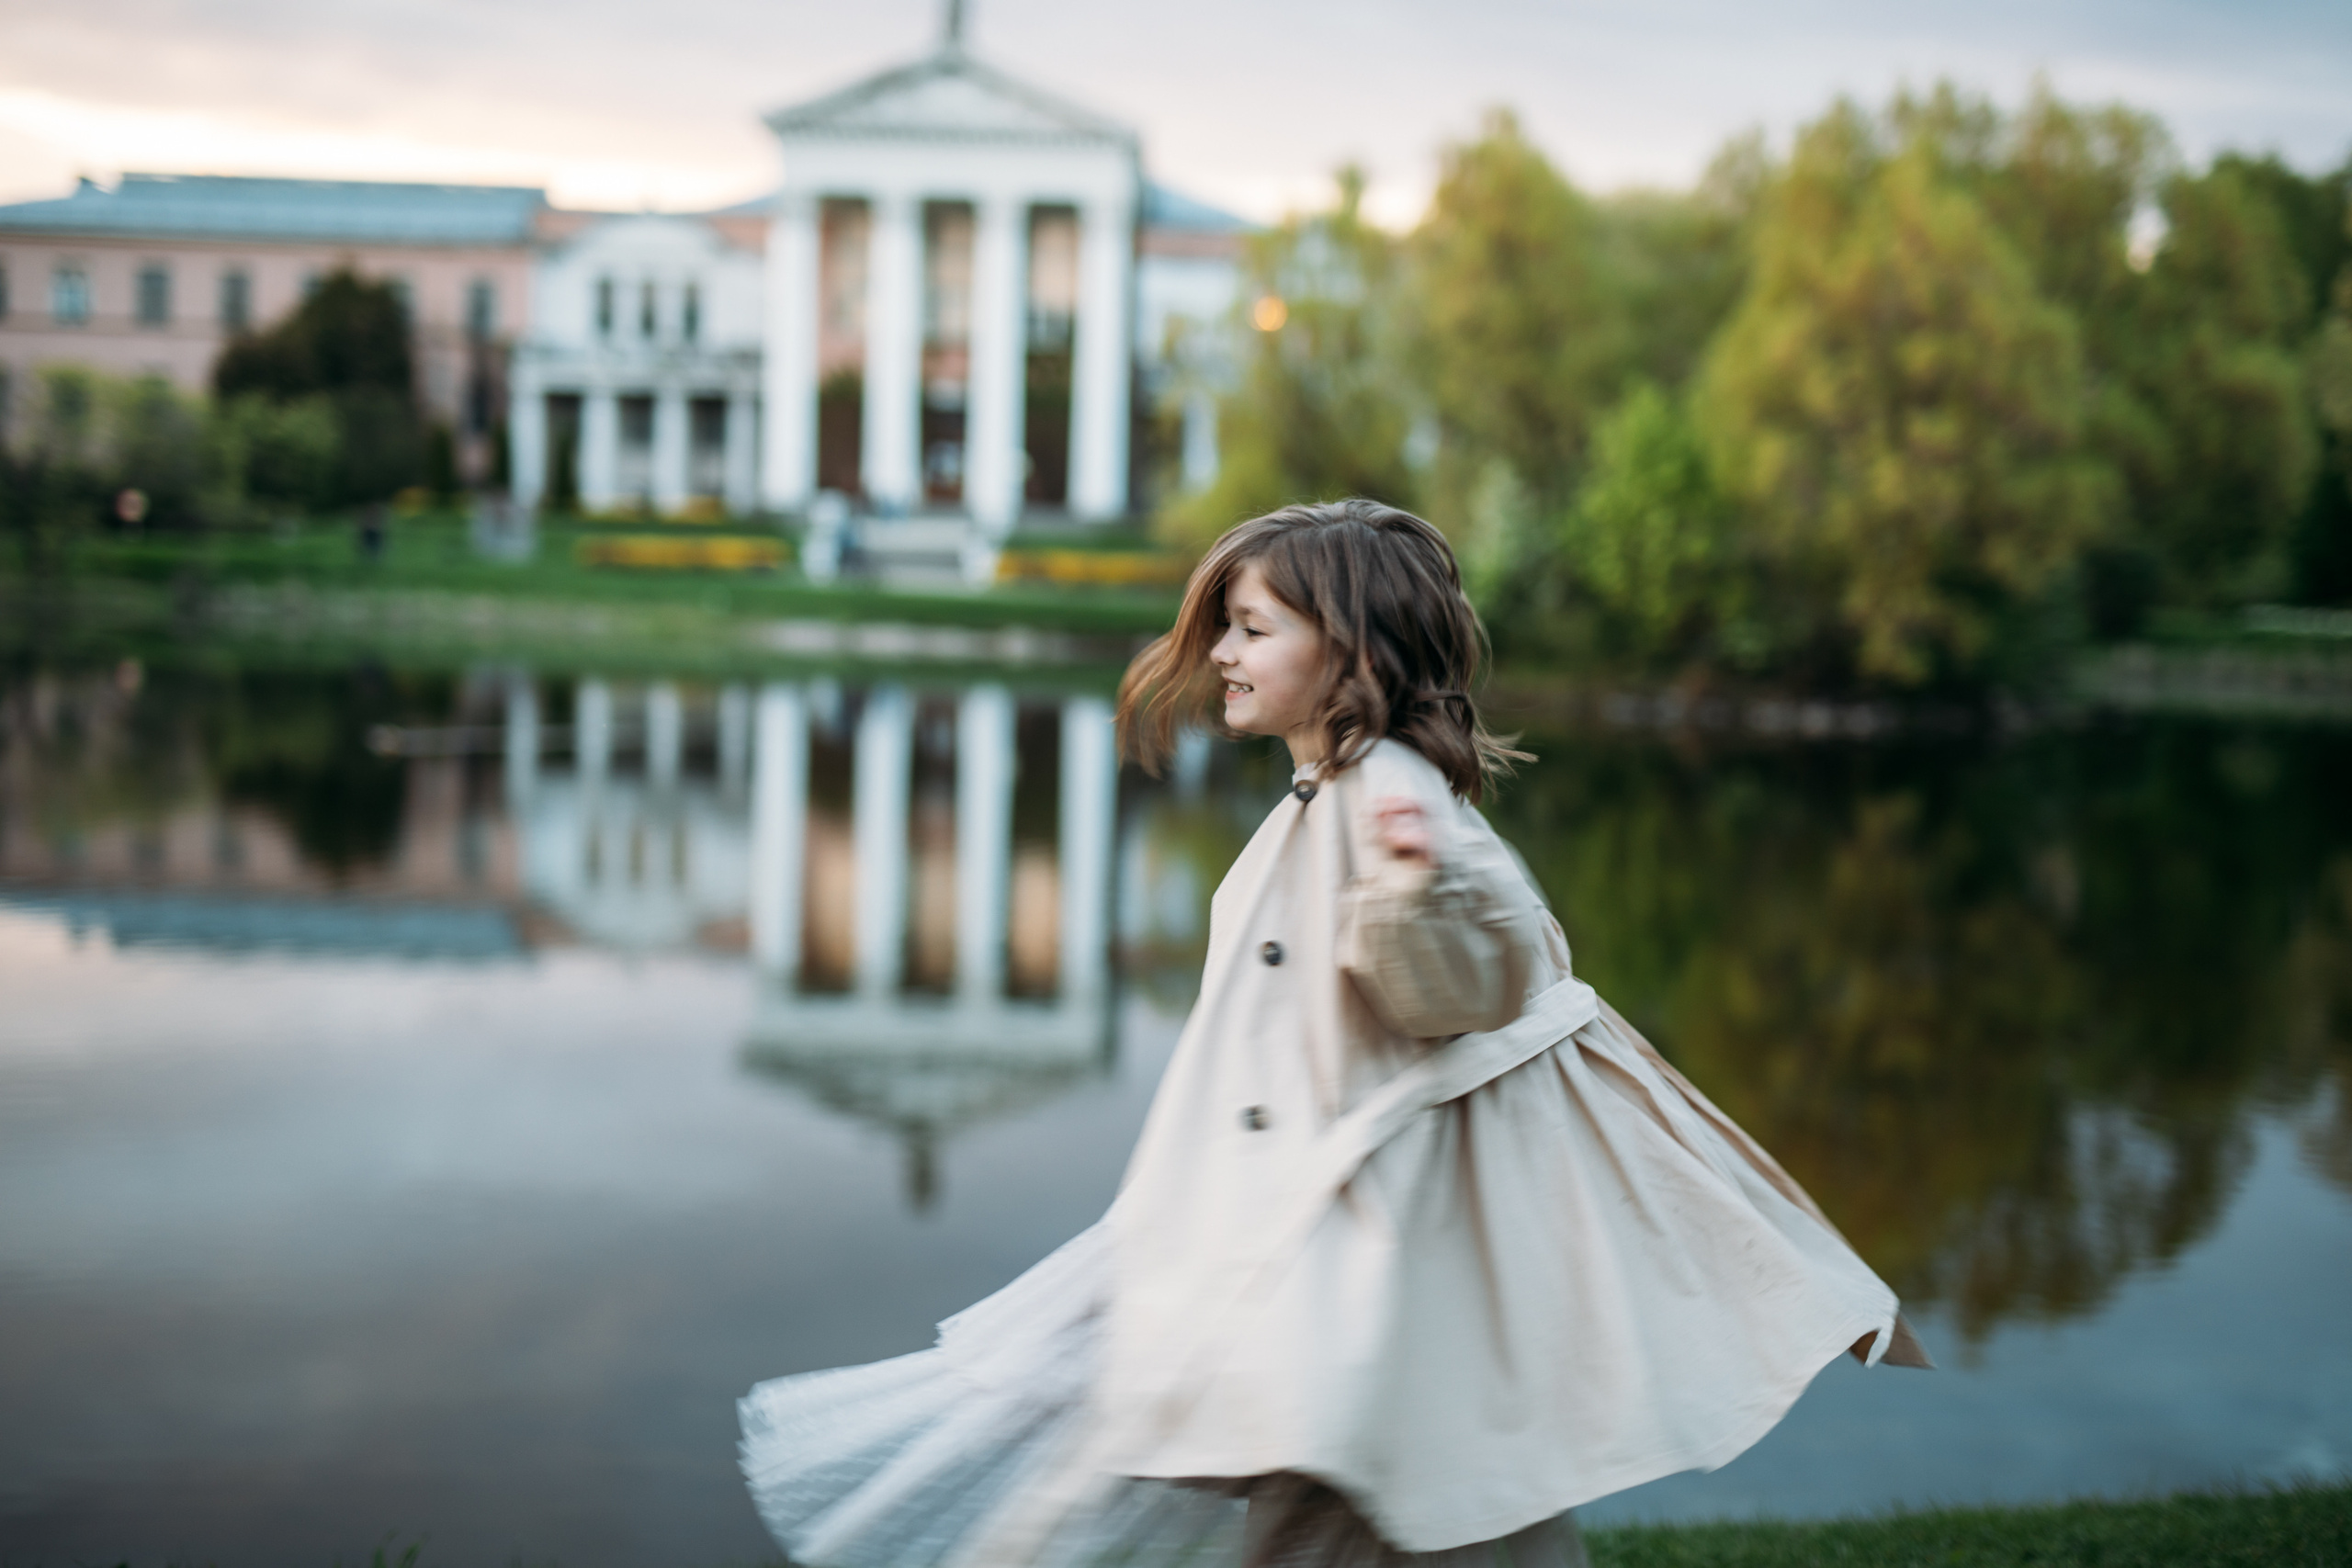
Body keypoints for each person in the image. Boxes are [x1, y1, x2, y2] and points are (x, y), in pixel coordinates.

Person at [740, 499, 1930, 1568]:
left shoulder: (1395, 802)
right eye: (1225, 627)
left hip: (1365, 1278)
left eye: (1252, 629)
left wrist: (1418, 887)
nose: (1218, 653)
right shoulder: (1327, 790)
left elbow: (1474, 978)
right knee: (1444, 1515)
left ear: (1348, 653)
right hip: (1344, 1271)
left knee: (1359, 1513)